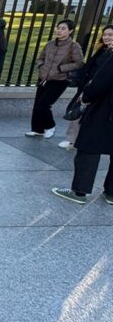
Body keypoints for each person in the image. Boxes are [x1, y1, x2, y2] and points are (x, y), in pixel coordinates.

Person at [51, 25, 113, 204]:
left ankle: (79, 191)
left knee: (88, 148)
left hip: (104, 110)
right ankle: (110, 193)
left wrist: (85, 97)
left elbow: (100, 82)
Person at [25, 18, 84, 138]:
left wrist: (61, 68)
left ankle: (50, 125)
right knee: (37, 104)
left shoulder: (74, 46)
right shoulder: (50, 44)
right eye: (58, 28)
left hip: (60, 80)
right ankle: (38, 129)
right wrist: (41, 65)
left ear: (70, 31)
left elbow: (79, 63)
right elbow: (40, 58)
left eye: (63, 29)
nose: (59, 31)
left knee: (44, 104)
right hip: (43, 78)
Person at [57, 25, 113, 149]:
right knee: (78, 112)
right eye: (105, 34)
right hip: (88, 87)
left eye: (110, 35)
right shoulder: (101, 50)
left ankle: (79, 140)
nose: (107, 37)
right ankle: (72, 140)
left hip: (100, 91)